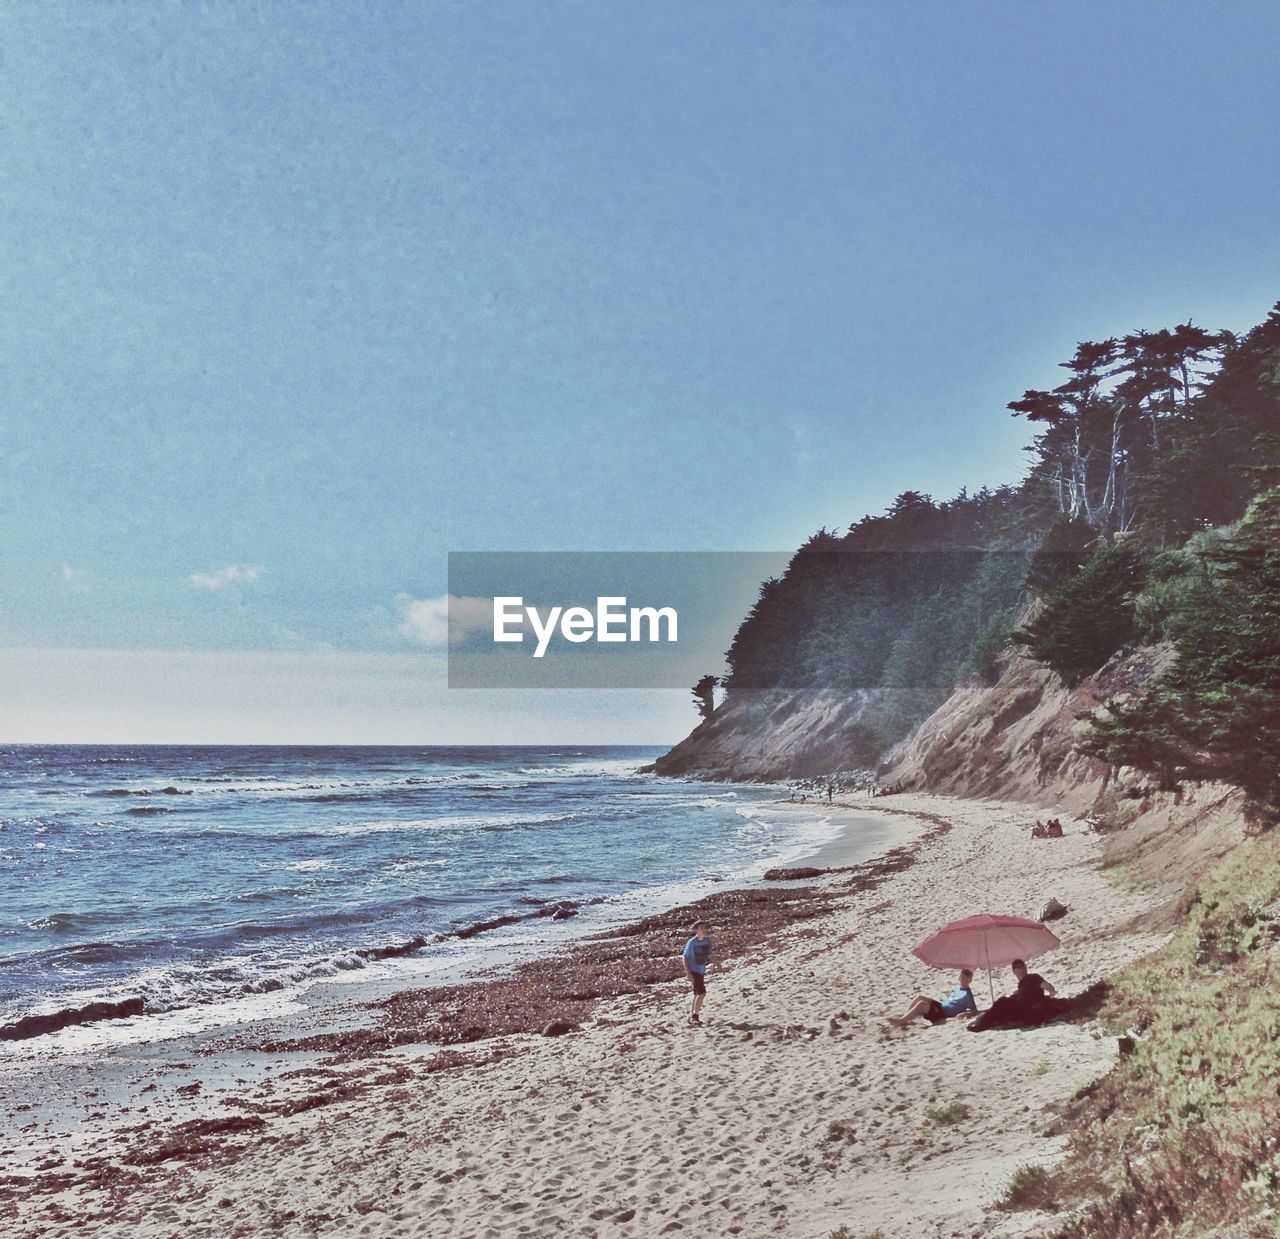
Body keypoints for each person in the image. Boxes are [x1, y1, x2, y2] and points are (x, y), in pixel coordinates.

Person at [888, 968, 978, 1027]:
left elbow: (974, 1010)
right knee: (919, 997)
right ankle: (905, 1019)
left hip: (942, 1014)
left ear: (970, 981)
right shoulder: (958, 988)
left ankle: (899, 1022)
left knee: (922, 1004)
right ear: (959, 978)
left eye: (966, 980)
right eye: (962, 979)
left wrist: (965, 1014)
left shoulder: (968, 994)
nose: (964, 982)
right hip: (941, 1006)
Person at [682, 921, 713, 1025]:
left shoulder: (706, 941)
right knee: (702, 993)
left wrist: (717, 964)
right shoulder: (692, 942)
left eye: (705, 928)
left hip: (701, 970)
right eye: (701, 928)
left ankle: (691, 1017)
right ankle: (695, 1016)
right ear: (696, 930)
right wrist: (688, 973)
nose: (703, 930)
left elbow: (709, 954)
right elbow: (685, 958)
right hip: (693, 971)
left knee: (697, 993)